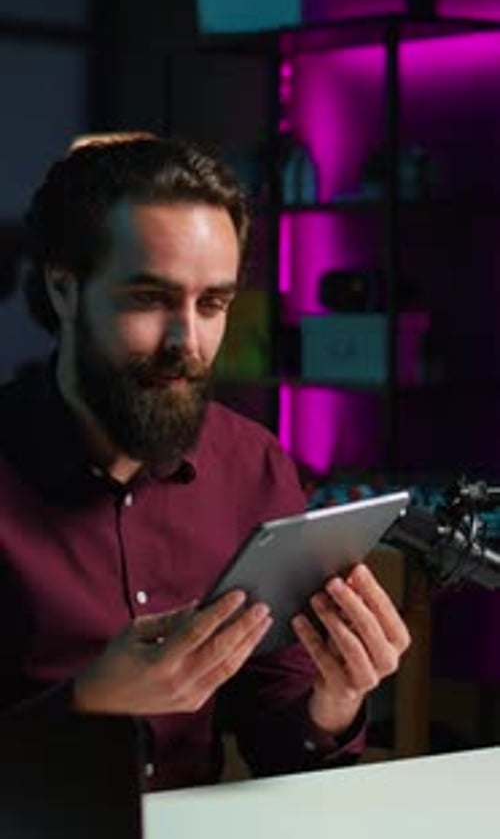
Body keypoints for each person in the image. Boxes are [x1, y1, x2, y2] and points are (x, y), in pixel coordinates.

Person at [0, 133, 410, 791]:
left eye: (212, 304)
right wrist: (88, 704)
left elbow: (283, 746)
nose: (187, 342)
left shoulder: (251, 464)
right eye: (148, 299)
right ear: (63, 289)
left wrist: (336, 701)